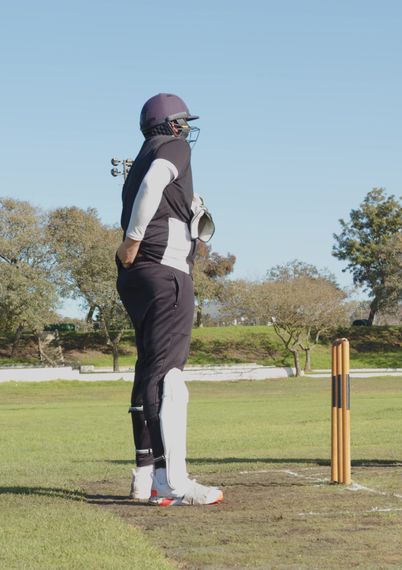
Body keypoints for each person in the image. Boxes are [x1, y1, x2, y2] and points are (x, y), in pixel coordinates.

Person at [115, 93, 221, 506]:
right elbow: (155, 182)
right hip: (166, 271)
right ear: (170, 125)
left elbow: (152, 190)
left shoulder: (139, 158)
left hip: (138, 276)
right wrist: (133, 239)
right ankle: (173, 482)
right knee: (169, 378)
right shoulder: (171, 148)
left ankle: (145, 475)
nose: (186, 131)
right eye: (183, 123)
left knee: (148, 372)